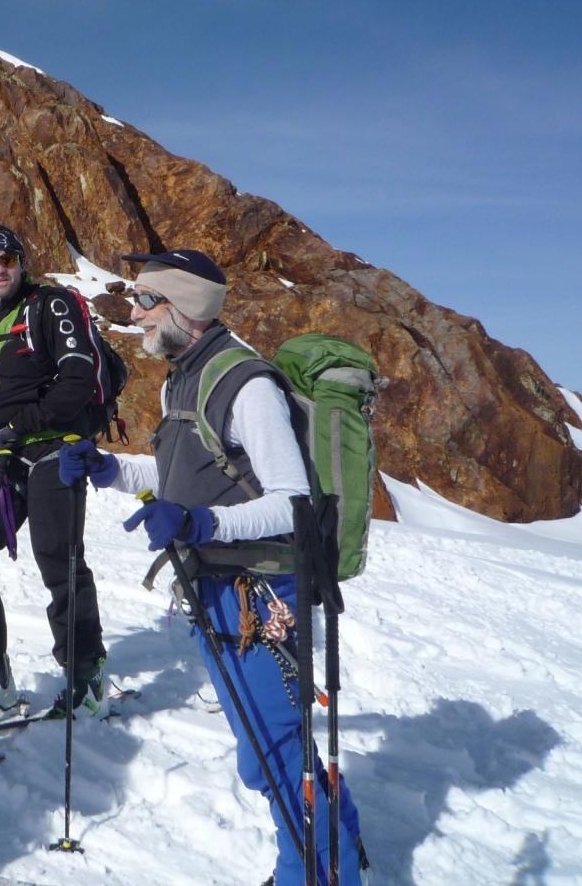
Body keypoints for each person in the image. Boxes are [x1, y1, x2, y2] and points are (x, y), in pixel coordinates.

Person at [58, 249, 366, 886]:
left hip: (262, 596)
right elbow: (179, 477)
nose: (135, 312)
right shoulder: (181, 377)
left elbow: (291, 501)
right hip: (214, 588)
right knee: (264, 756)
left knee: (279, 754)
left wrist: (202, 524)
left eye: (146, 301)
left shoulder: (245, 385)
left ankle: (312, 875)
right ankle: (333, 854)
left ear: (185, 308)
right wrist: (110, 469)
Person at [0, 224, 108, 725]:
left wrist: (21, 424)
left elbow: (80, 378)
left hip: (56, 447)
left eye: (6, 259)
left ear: (21, 260)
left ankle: (86, 673)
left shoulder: (51, 305)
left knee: (58, 557)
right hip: (1, 455)